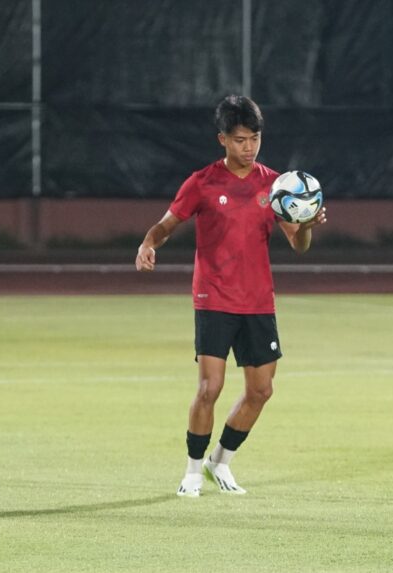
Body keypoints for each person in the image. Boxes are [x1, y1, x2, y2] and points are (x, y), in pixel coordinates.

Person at [135, 95, 326, 497]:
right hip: (214, 297)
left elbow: (300, 245)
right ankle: (190, 471)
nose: (249, 147)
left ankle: (219, 461)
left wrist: (306, 223)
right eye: (240, 139)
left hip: (258, 301)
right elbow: (167, 224)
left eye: (254, 138)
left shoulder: (275, 186)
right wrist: (148, 243)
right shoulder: (202, 182)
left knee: (261, 390)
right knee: (210, 387)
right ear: (222, 139)